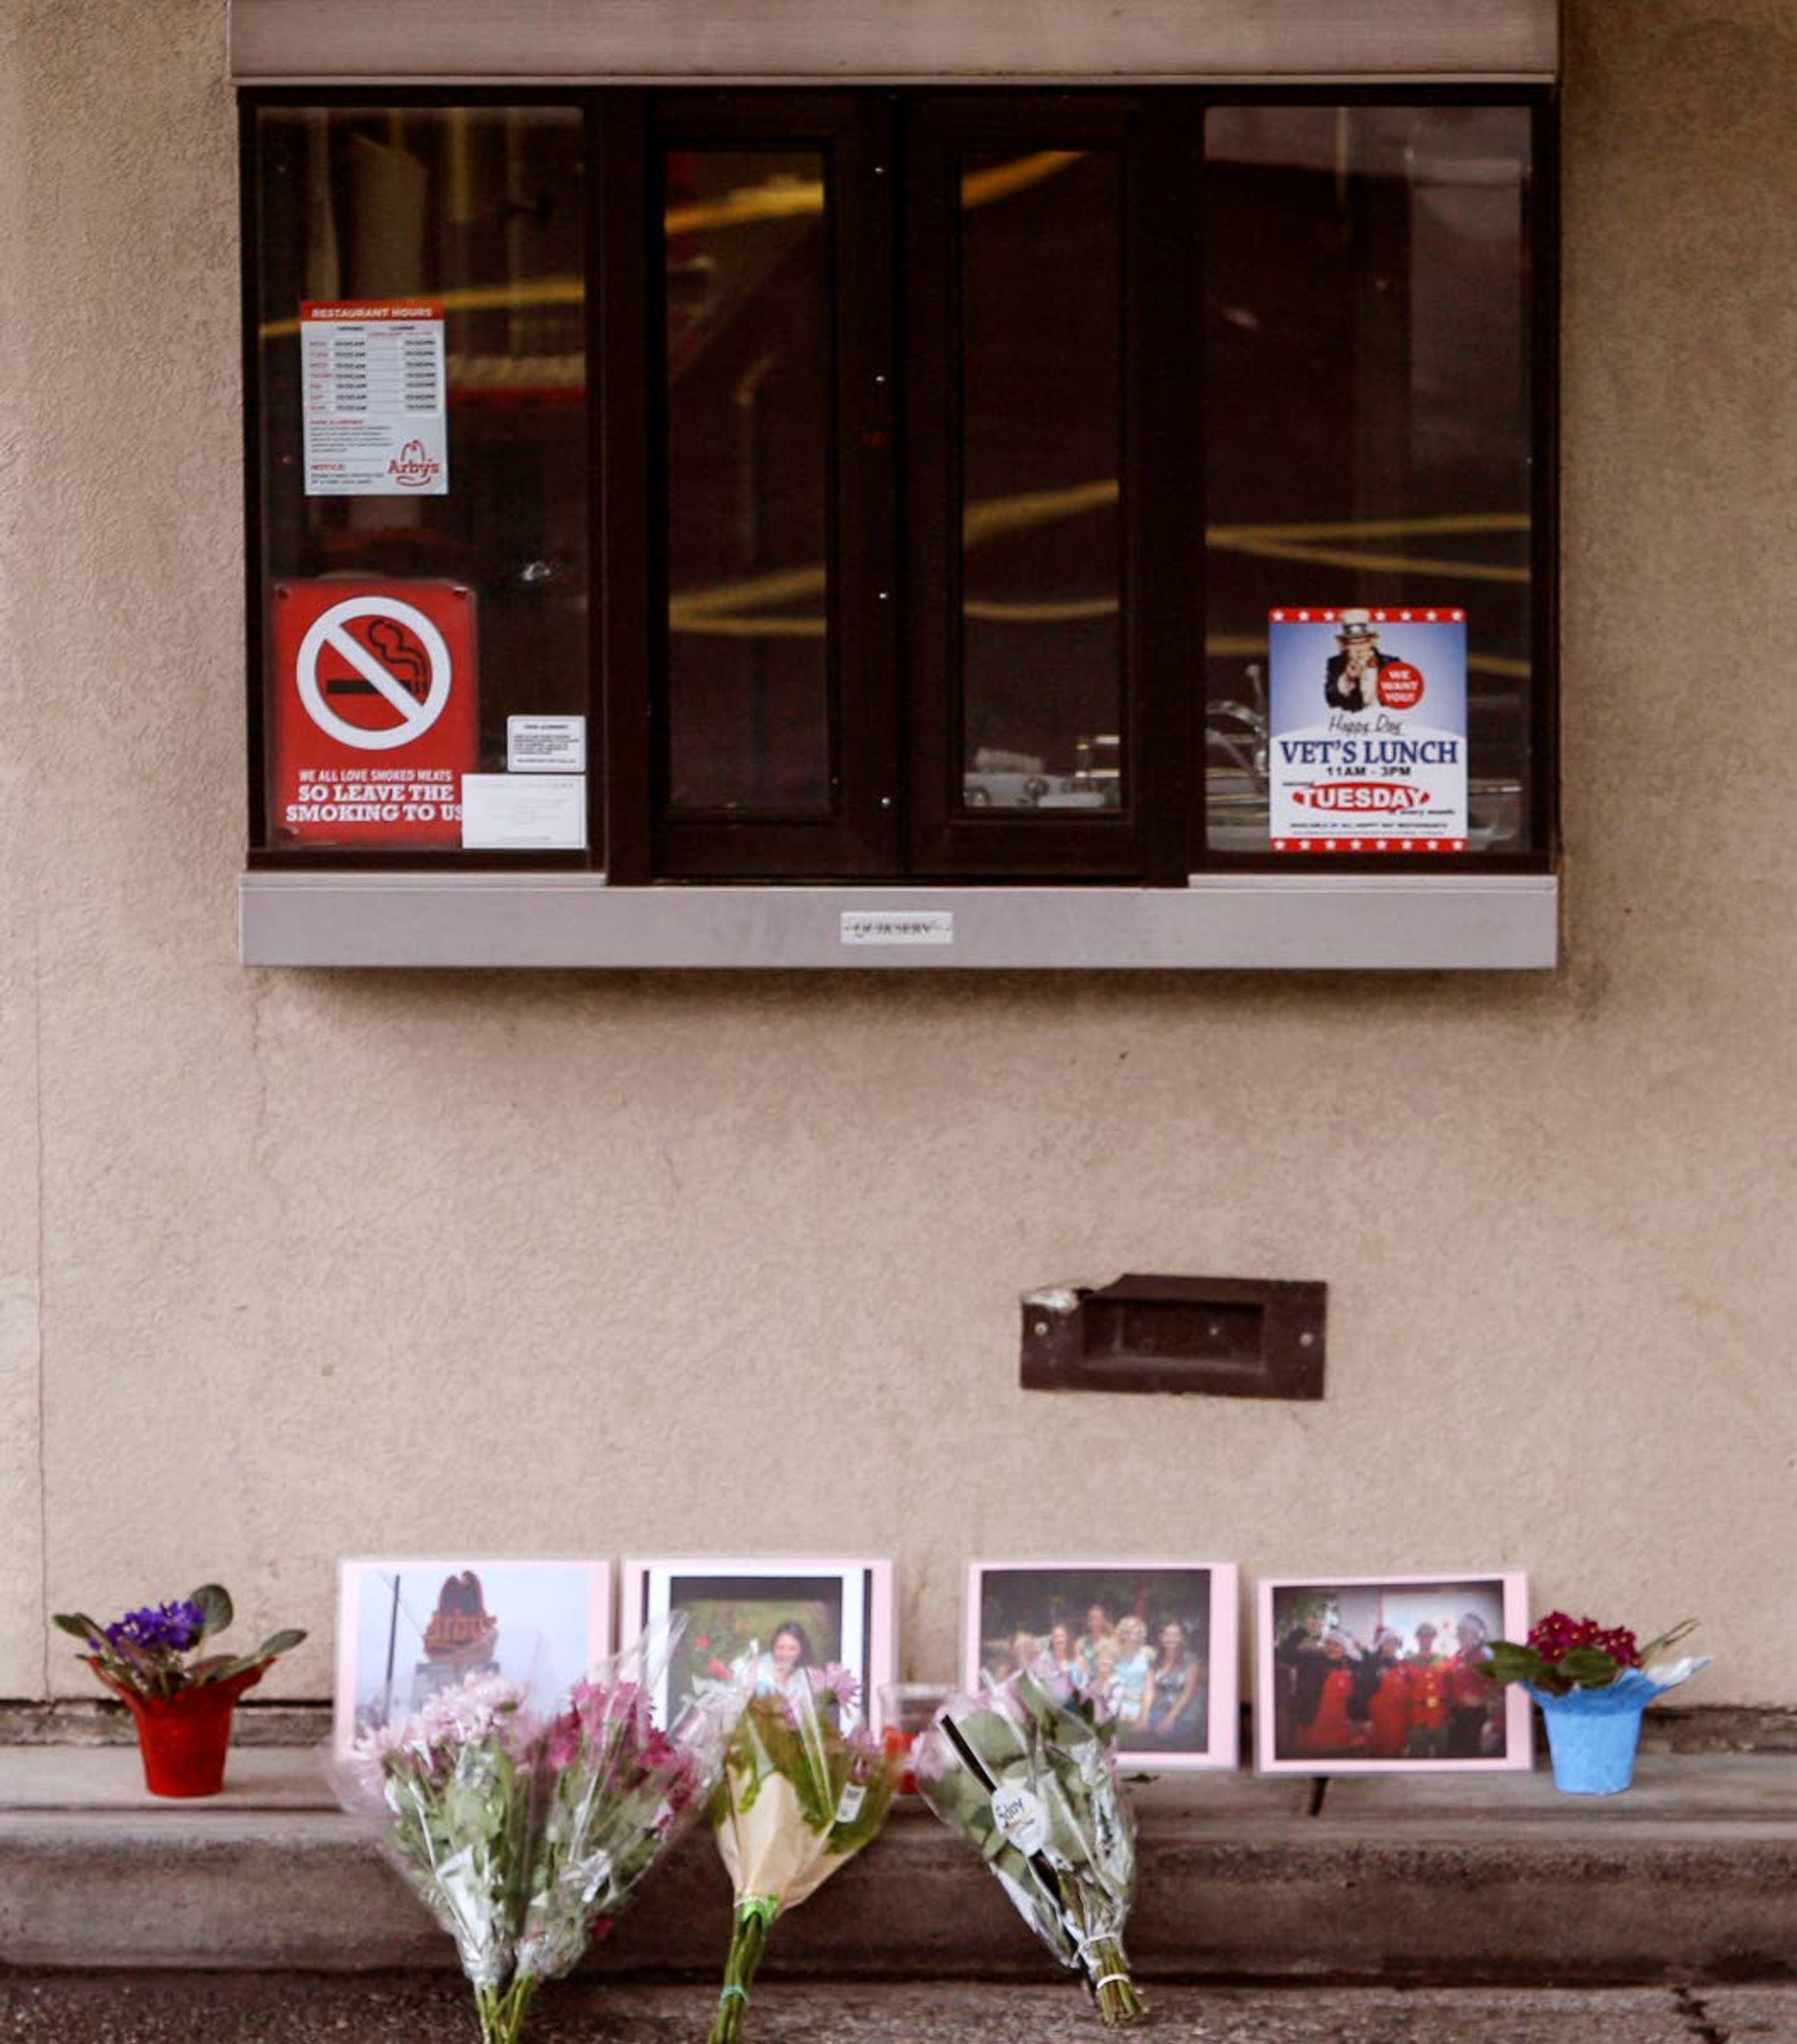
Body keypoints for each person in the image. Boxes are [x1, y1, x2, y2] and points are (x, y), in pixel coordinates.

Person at [1293, 1631, 1364, 1758]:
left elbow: (1356, 1700)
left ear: (1344, 1650)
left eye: (1336, 1645)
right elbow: (1285, 1654)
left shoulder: (1353, 1669)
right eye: (1328, 1644)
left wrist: (1358, 1720)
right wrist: (1301, 1632)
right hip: (1312, 1727)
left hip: (1339, 1732)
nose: (1331, 1648)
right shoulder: (1312, 1660)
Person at [1142, 1618, 1206, 1747]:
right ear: (1161, 1637)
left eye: (1176, 1636)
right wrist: (1144, 1716)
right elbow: (1150, 1690)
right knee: (1145, 1726)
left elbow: (1188, 1693)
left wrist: (1170, 1718)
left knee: (1161, 1732)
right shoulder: (1155, 1660)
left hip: (1185, 1712)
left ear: (1182, 1638)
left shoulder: (1191, 1660)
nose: (1171, 1639)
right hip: (1160, 1708)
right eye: (1167, 1635)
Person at [1323, 609, 1398, 714]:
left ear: (1371, 642)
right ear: (1345, 646)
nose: (1359, 649)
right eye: (1353, 644)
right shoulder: (1335, 664)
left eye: (1363, 642)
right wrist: (1348, 678)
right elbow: (1332, 700)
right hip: (1353, 724)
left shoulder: (1392, 663)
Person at [1447, 1613, 1498, 1758]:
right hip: (1455, 1715)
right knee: (1454, 1753)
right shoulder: (1456, 1658)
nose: (1460, 1636)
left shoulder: (1482, 1657)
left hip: (1473, 1717)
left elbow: (1499, 1684)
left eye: (1464, 1632)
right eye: (1459, 1632)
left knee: (1470, 1755)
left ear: (1476, 1635)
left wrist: (1481, 1700)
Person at [1358, 1628, 1411, 1759]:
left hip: (1398, 1721)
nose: (1392, 1646)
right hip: (1377, 1721)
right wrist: (1365, 1719)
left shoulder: (1402, 1666)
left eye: (1395, 1643)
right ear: (1382, 1643)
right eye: (1389, 1642)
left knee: (1396, 1755)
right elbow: (1362, 1692)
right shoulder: (1371, 1663)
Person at [1404, 1623, 1452, 1759]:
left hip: (1440, 1714)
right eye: (1423, 1637)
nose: (1426, 1640)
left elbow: (1451, 1686)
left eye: (1429, 1636)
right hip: (1417, 1715)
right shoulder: (1409, 1662)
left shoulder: (1444, 1661)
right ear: (1417, 1638)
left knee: (1443, 1756)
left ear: (1434, 1638)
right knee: (1418, 1756)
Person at [1109, 1614, 1153, 1728]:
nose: (1134, 1637)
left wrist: (1145, 1715)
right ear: (1122, 1634)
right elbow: (1109, 1682)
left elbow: (1149, 1689)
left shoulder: (1148, 1655)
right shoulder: (1113, 1655)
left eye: (1137, 1633)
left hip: (1140, 1705)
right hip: (1117, 1701)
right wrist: (1130, 1696)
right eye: (1129, 1633)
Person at [1076, 1603, 1115, 1683]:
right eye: (1092, 1619)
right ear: (1088, 1622)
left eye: (1098, 1619)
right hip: (1087, 1681)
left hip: (1107, 1682)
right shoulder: (1081, 1643)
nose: (1095, 1623)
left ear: (1104, 1621)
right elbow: (1077, 1665)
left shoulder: (1112, 1642)